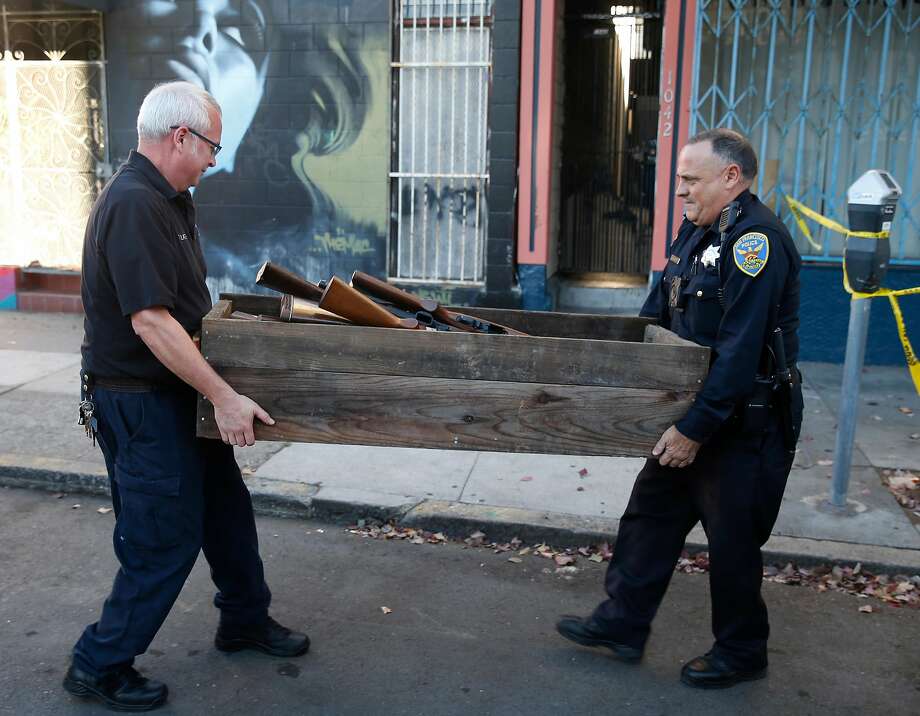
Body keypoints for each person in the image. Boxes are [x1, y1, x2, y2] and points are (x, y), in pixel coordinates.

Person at [64, 81, 310, 712]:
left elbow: (183, 307)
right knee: (162, 537)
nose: (213, 161)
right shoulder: (133, 205)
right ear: (180, 137)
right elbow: (150, 322)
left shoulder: (170, 200)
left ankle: (244, 620)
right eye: (211, 148)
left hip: (178, 396)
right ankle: (99, 663)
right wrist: (225, 397)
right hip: (143, 405)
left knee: (227, 513)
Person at [556, 128, 804, 689]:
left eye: (691, 180)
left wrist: (694, 428)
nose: (681, 191)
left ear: (731, 177)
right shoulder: (699, 232)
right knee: (650, 516)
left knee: (733, 542)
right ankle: (621, 624)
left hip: (741, 422)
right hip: (692, 412)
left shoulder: (755, 241)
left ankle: (742, 650)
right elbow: (659, 311)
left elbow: (740, 352)